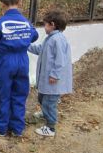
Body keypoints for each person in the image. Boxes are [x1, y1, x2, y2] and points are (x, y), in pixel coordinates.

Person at [0, 0, 39, 137]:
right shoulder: (26, 22)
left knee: (3, 94)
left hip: (5, 62)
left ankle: (0, 128)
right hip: (22, 61)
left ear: (1, 4)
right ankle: (17, 128)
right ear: (20, 2)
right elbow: (34, 35)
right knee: (20, 94)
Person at [28, 9, 72, 137]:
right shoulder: (50, 38)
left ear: (52, 24)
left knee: (49, 102)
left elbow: (60, 60)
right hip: (47, 79)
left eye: (45, 24)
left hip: (53, 80)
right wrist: (25, 45)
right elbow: (40, 49)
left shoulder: (57, 40)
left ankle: (50, 127)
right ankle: (45, 113)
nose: (44, 27)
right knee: (42, 98)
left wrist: (54, 75)